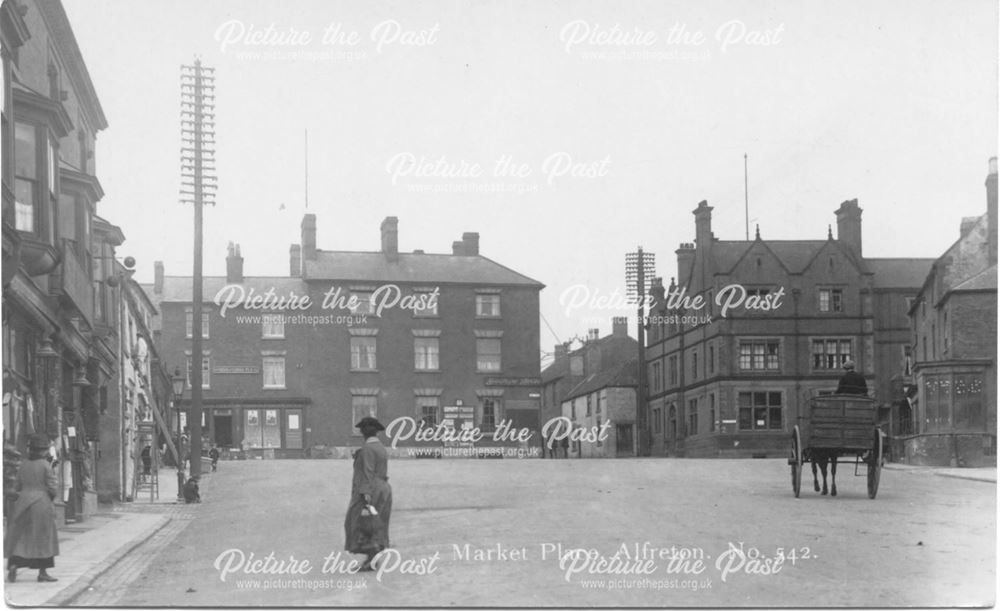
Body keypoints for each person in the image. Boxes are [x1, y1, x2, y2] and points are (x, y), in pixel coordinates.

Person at [5, 434, 59, 582]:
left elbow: (17, 485)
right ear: (43, 451)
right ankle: (42, 572)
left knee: (21, 536)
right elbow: (52, 487)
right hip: (41, 503)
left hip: (23, 502)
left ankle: (14, 564)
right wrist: (51, 498)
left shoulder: (24, 464)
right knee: (43, 538)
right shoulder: (45, 465)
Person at [344, 417, 392, 572]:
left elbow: (367, 472)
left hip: (372, 489)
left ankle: (371, 561)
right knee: (376, 522)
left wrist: (365, 494)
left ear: (363, 433)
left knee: (360, 522)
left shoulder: (367, 449)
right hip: (383, 487)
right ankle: (373, 558)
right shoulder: (380, 447)